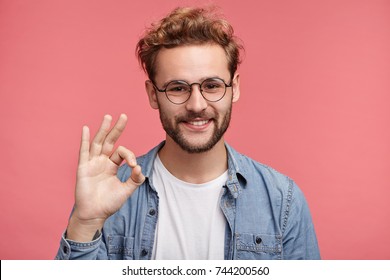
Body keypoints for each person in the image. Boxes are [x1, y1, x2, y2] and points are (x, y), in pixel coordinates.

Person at [56, 6, 320, 260]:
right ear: (153, 95)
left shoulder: (282, 200)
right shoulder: (110, 194)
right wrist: (84, 222)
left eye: (212, 85)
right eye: (178, 88)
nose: (197, 105)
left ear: (234, 88)